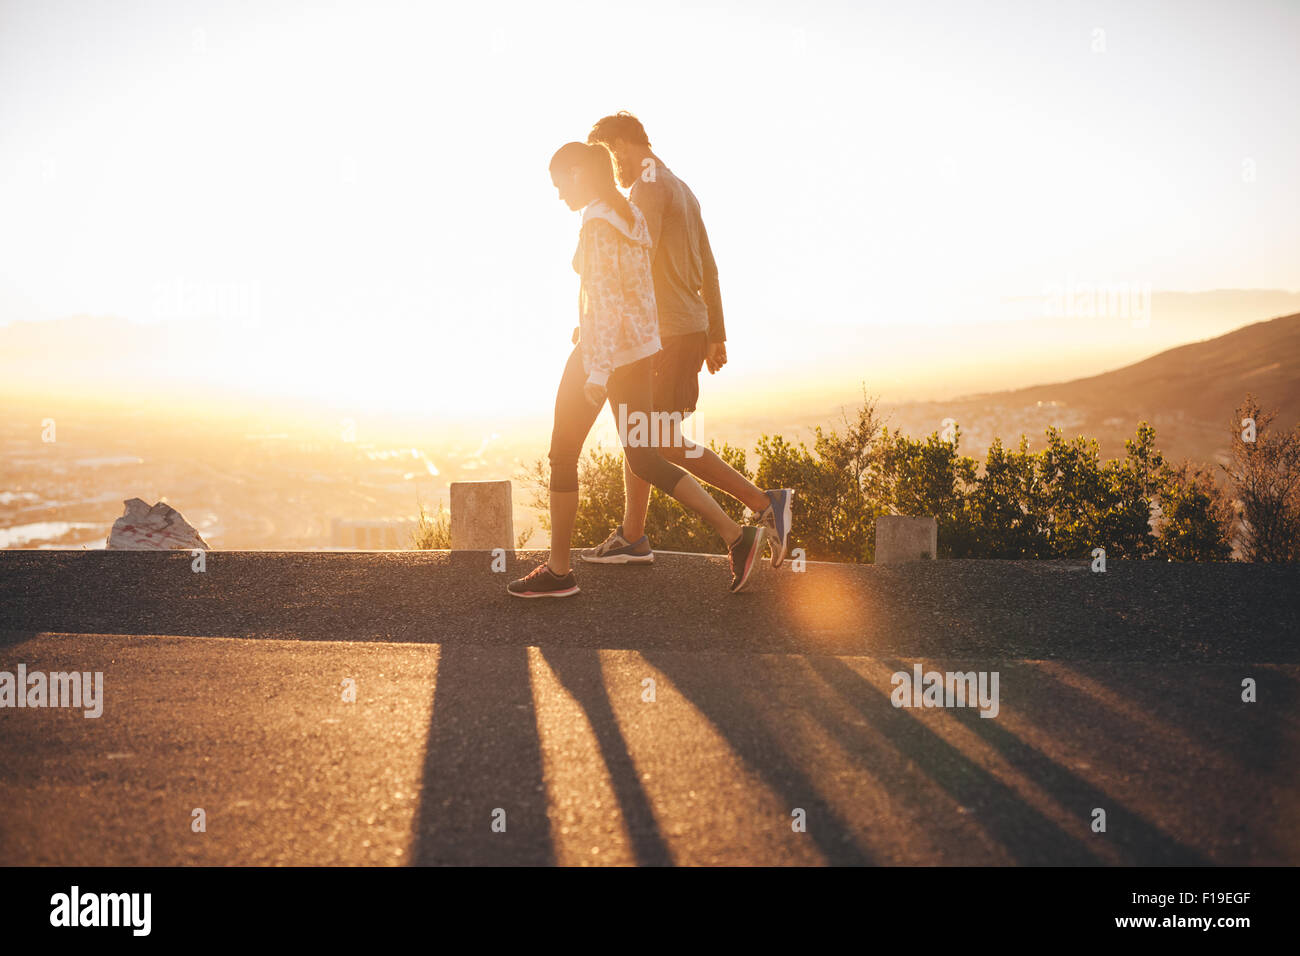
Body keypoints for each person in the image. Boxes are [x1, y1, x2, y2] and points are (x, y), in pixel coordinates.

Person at [508, 142, 765, 598]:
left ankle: (560, 572)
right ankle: (736, 536)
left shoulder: (597, 225)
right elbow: (641, 294)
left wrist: (597, 373)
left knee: (563, 454)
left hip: (600, 354)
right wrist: (641, 349)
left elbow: (606, 303)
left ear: (577, 174)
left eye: (559, 182)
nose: (558, 194)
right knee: (645, 455)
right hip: (639, 352)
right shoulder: (631, 218)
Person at [581, 112, 793, 569]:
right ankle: (633, 536)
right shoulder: (682, 186)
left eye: (606, 153)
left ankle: (762, 504)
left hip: (666, 333)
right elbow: (709, 267)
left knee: (658, 441)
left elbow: (633, 262)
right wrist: (715, 332)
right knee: (644, 436)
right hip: (683, 329)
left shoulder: (646, 185)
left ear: (619, 145)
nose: (609, 166)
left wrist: (602, 320)